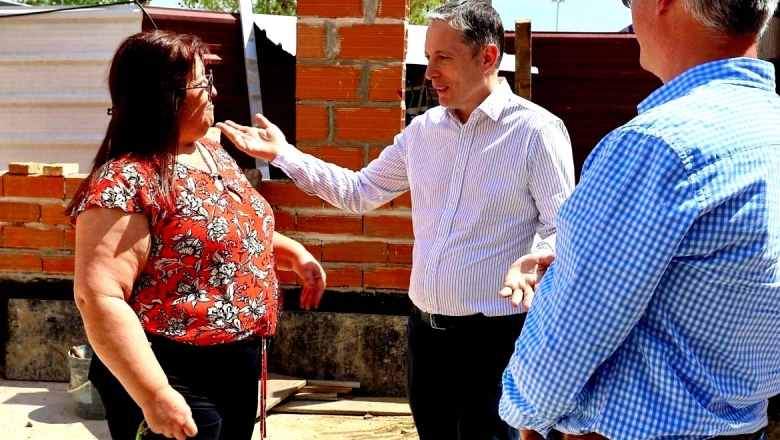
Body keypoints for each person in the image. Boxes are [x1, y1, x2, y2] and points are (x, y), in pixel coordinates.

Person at [216, 1, 574, 438]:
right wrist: (284, 155)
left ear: (488, 56)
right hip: (424, 342)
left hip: (499, 344)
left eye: (443, 57)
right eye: (428, 56)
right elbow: (360, 191)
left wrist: (535, 260)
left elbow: (561, 226)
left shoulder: (537, 131)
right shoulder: (422, 133)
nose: (429, 72)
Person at [498, 0, 780, 439]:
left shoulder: (658, 146)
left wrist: (522, 412)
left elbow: (568, 340)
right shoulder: (767, 129)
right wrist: (570, 263)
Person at [69, 30, 326, 440]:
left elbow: (222, 235)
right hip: (170, 369)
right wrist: (153, 394)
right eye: (203, 82)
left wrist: (294, 255)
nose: (214, 91)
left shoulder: (210, 153)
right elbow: (99, 296)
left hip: (236, 364)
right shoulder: (123, 182)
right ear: (165, 96)